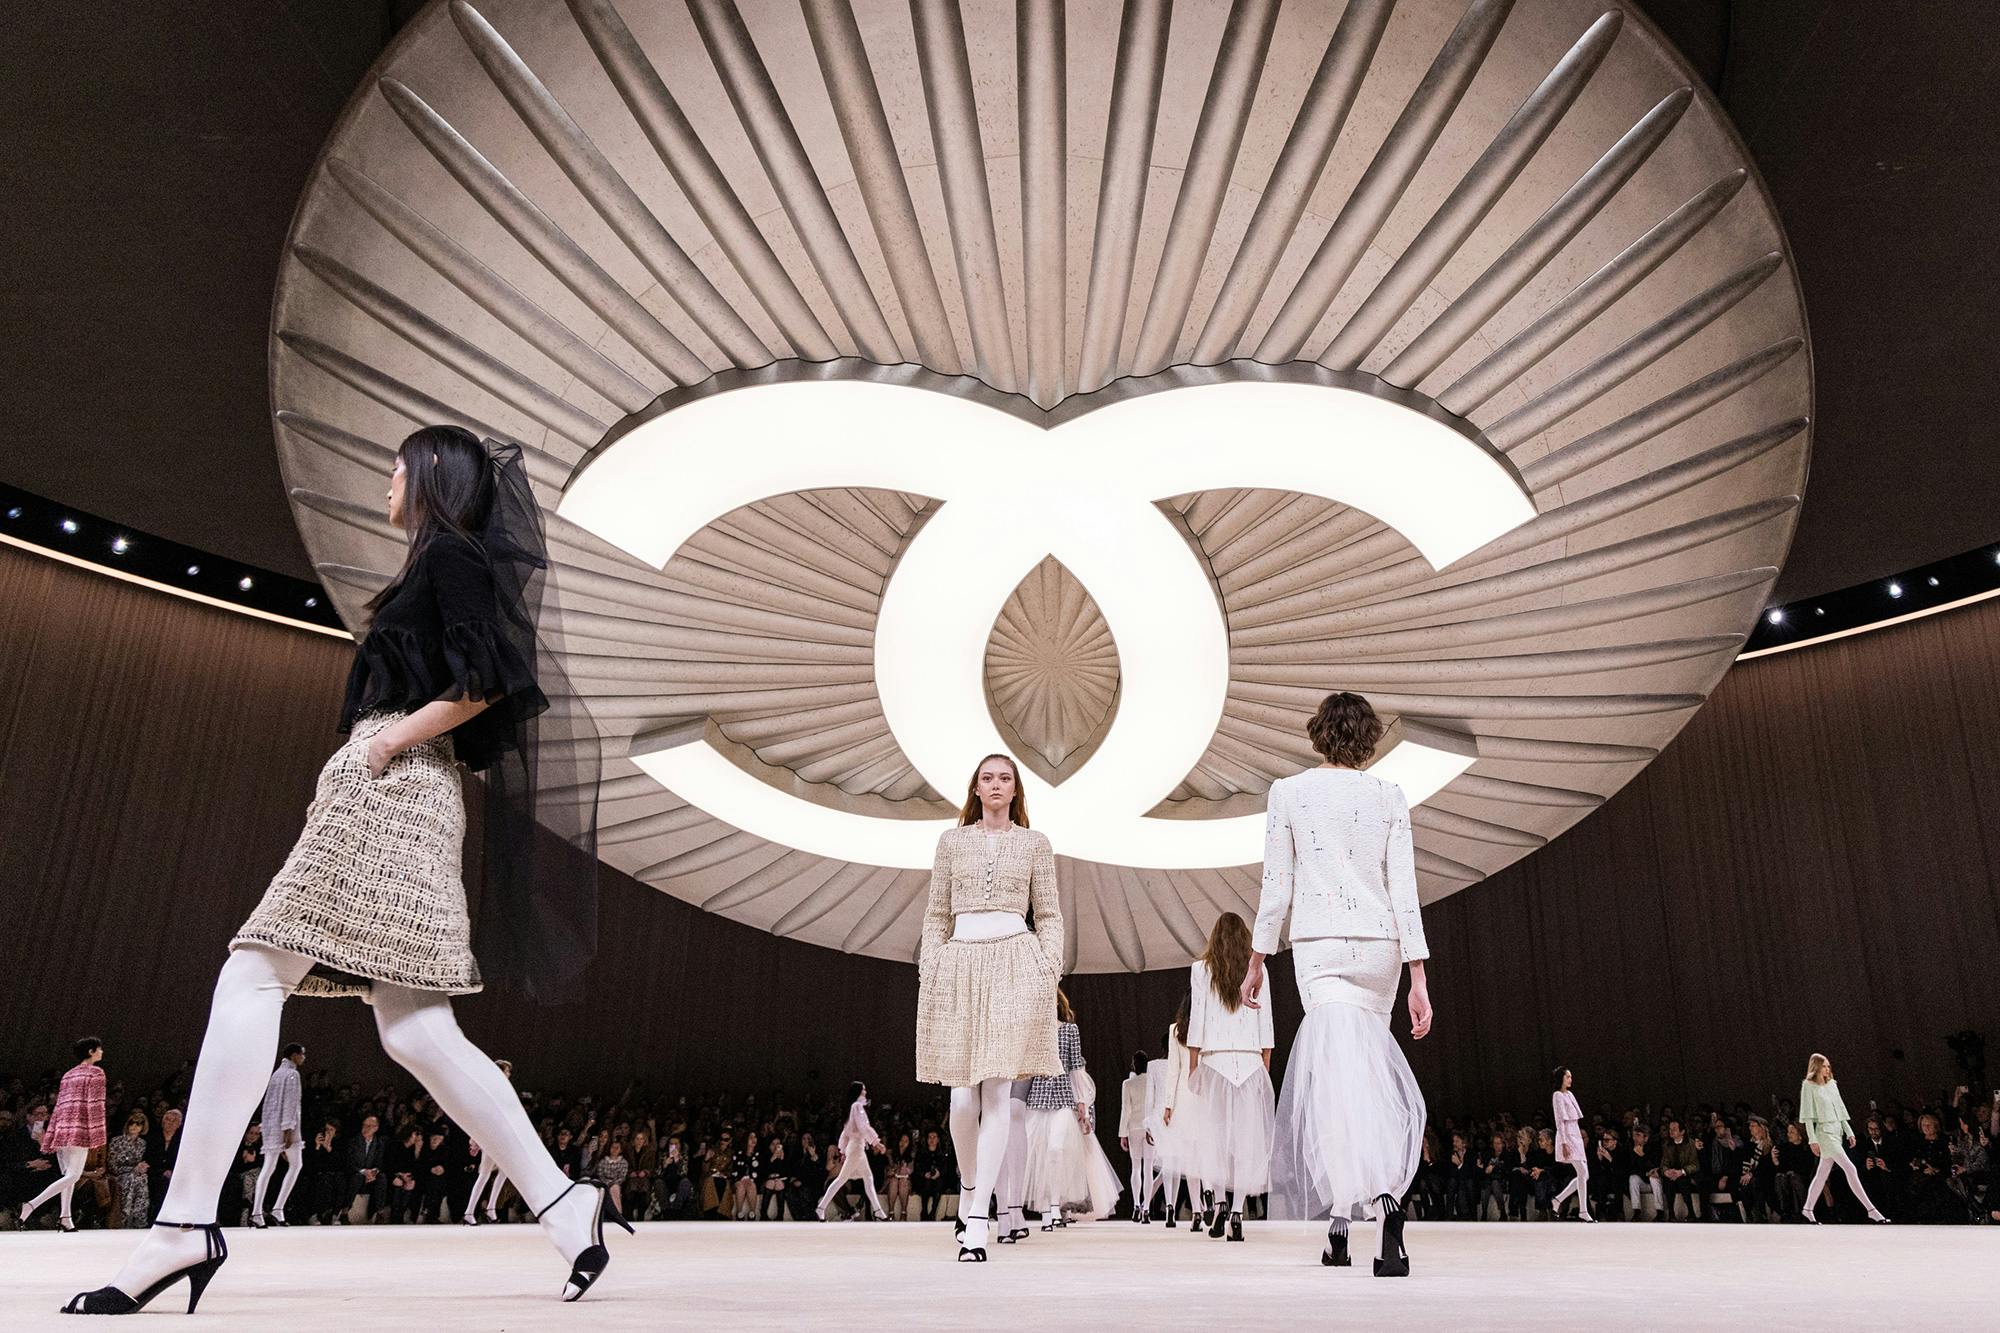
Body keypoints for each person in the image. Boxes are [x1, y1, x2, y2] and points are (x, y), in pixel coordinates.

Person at [63, 427, 617, 1314]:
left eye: (397, 467)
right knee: (413, 1028)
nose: (387, 480)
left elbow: (492, 680)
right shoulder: (438, 566)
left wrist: (387, 741)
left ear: (432, 476)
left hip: (393, 787)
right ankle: (564, 1202)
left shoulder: (453, 560)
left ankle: (182, 1226)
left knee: (254, 970)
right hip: (402, 790)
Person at [1251, 693, 1433, 1276]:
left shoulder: (1290, 793)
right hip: (1380, 948)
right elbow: (1404, 889)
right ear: (1370, 738)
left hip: (1321, 947)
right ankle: (1366, 1218)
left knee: (1335, 1082)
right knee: (1365, 1075)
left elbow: (1277, 885)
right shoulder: (1388, 795)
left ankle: (1357, 1215)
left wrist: (1257, 959)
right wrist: (1418, 976)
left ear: (1317, 734)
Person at [914, 754, 1064, 1262]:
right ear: (976, 788)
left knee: (998, 1094)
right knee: (961, 1102)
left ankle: (978, 1219)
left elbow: (1049, 914)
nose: (996, 785)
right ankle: (975, 1187)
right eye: (988, 778)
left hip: (1015, 966)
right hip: (958, 967)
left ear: (1016, 788)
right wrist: (930, 966)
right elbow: (936, 913)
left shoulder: (1035, 844)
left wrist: (1048, 968)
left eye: (1005, 778)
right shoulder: (952, 842)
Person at [1187, 913, 1275, 1242]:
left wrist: (1194, 1065)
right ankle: (1237, 1212)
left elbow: (1198, 1019)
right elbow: (1266, 1022)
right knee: (1245, 1142)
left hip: (1214, 1063)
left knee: (1215, 1140)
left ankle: (1221, 1204)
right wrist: (1264, 1063)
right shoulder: (1258, 969)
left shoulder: (1201, 971)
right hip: (1250, 1063)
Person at [23, 1037, 107, 1232]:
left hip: (63, 1128)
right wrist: (97, 1133)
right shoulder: (96, 1073)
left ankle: (65, 1218)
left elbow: (59, 1106)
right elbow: (95, 1104)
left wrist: (53, 1132)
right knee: (73, 1176)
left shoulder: (68, 1075)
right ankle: (31, 1205)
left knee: (68, 1175)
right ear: (91, 1052)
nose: (101, 1052)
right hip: (80, 1128)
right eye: (99, 1049)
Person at [1798, 1054, 1888, 1223]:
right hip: (1824, 1133)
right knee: (1850, 1168)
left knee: (1822, 1174)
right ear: (1816, 1067)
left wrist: (1849, 1131)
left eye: (1828, 1066)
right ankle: (1871, 1209)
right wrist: (1812, 1139)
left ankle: (1807, 1209)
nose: (1827, 1069)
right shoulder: (1808, 1086)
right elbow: (1809, 1116)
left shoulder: (1832, 1085)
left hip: (1836, 1131)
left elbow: (1840, 1109)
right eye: (1824, 1066)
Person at [249, 1044, 305, 1228]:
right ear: (295, 1055)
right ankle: (277, 1209)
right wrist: (288, 1130)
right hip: (286, 1127)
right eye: (302, 1054)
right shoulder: (292, 1074)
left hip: (272, 1125)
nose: (304, 1057)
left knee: (269, 1167)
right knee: (296, 1165)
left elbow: (268, 1104)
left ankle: (258, 1212)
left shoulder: (275, 1074)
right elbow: (290, 1103)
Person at [816, 1083, 889, 1221]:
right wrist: (876, 1142)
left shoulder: (852, 1108)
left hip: (856, 1148)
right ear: (859, 1092)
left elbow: (845, 1133)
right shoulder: (857, 1107)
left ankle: (878, 1211)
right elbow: (863, 1127)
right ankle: (821, 1208)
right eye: (864, 1090)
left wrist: (843, 1150)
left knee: (867, 1178)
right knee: (842, 1179)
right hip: (856, 1148)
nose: (866, 1092)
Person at [464, 1059, 516, 1225]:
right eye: (506, 1071)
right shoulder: (489, 1090)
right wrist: (476, 1137)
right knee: (485, 1174)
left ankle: (491, 1208)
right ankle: (470, 1211)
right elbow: (480, 1114)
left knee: (504, 1170)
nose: (508, 1074)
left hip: (500, 1134)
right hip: (490, 1134)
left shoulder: (501, 1090)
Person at [1548, 1067, 1594, 1221]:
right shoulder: (1557, 1096)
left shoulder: (1570, 1094)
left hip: (1576, 1134)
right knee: (1582, 1172)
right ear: (1561, 1078)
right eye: (1568, 1076)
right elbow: (1560, 1121)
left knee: (1584, 1174)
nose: (1570, 1079)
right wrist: (1564, 1142)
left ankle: (1558, 1199)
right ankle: (1582, 1211)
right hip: (1567, 1135)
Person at [1119, 1052, 1154, 1222]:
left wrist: (1122, 1134)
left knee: (1136, 1168)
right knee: (1148, 1169)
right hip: (1149, 1128)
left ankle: (1136, 1206)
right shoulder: (1152, 1081)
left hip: (1133, 1127)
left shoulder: (1128, 1083)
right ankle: (1146, 1208)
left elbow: (1126, 1110)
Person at [107, 1112, 152, 1230]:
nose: (134, 1126)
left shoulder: (142, 1144)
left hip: (135, 1175)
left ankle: (138, 1218)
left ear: (143, 1127)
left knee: (142, 1178)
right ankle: (124, 1217)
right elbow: (112, 1165)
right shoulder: (116, 1141)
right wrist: (133, 1169)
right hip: (118, 1175)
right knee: (132, 1178)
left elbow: (139, 1163)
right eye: (132, 1123)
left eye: (138, 1124)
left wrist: (141, 1167)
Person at [1658, 1118, 1703, 1221]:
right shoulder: (1667, 1145)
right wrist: (1666, 1172)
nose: (1671, 1131)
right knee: (1668, 1182)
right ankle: (1671, 1214)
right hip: (1672, 1174)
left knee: (1682, 1181)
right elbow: (1664, 1163)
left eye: (1674, 1129)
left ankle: (1691, 1212)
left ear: (1682, 1132)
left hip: (1686, 1174)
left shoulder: (1691, 1144)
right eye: (1670, 1129)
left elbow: (1695, 1165)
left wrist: (1682, 1172)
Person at [913, 1129, 952, 1222]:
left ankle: (933, 1211)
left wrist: (939, 1173)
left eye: (934, 1137)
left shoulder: (942, 1154)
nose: (932, 1139)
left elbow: (946, 1169)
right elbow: (917, 1169)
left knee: (938, 1183)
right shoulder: (921, 1153)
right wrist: (924, 1174)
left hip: (938, 1181)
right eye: (930, 1137)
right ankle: (924, 1211)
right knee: (927, 1183)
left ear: (938, 1139)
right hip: (924, 1180)